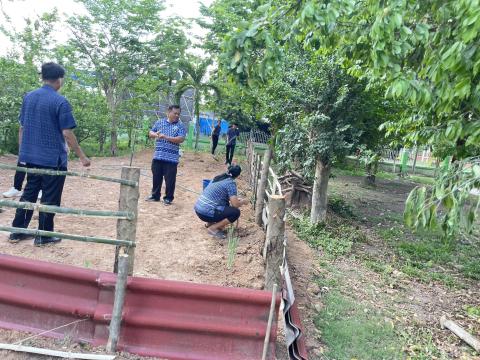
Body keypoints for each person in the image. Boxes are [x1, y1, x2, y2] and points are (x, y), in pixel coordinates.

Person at [9, 62, 91, 245]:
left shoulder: (28, 97)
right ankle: (44, 236)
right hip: (52, 160)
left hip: (30, 157)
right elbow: (67, 133)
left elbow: (22, 128)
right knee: (49, 198)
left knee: (29, 194)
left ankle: (16, 232)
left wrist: (23, 153)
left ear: (43, 77)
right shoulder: (60, 101)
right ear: (59, 79)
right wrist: (82, 156)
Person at [194, 165, 249, 239]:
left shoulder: (218, 178)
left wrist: (235, 199)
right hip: (206, 213)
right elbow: (235, 205)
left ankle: (209, 223)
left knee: (224, 204)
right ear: (238, 175)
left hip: (199, 210)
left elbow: (219, 196)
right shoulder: (230, 183)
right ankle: (213, 228)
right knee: (235, 212)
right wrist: (243, 202)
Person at [146, 105, 186, 205]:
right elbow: (150, 132)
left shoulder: (181, 126)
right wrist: (155, 134)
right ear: (168, 112)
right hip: (158, 156)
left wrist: (166, 137)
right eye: (175, 113)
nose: (177, 115)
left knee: (170, 180)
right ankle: (155, 195)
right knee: (156, 177)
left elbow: (181, 139)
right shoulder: (159, 122)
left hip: (171, 158)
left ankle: (168, 198)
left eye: (178, 114)